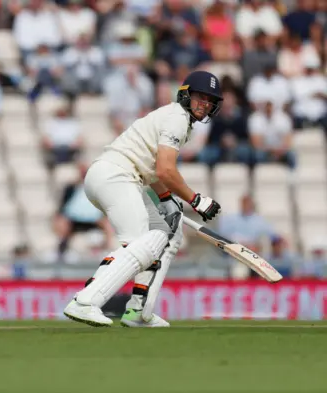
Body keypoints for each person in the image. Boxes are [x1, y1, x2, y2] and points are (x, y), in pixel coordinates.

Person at [63, 70, 223, 328]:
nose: (204, 104)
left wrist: (166, 198)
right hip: (116, 175)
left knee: (167, 232)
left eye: (209, 100)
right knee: (145, 241)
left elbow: (152, 166)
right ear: (186, 95)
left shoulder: (178, 120)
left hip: (119, 176)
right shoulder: (177, 119)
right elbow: (165, 170)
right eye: (200, 97)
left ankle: (139, 310)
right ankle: (85, 301)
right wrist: (196, 200)